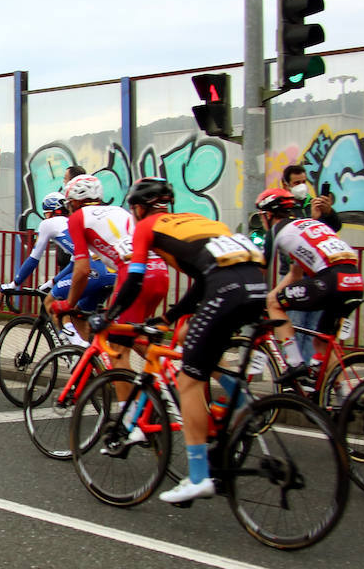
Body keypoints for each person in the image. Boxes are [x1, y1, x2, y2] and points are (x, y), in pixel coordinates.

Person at [92, 177, 268, 503]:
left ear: (138, 208)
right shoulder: (200, 222)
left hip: (226, 288)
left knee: (188, 380)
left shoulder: (146, 227)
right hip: (256, 284)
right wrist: (169, 319)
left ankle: (198, 476)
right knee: (196, 347)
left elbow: (133, 279)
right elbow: (202, 282)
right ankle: (237, 403)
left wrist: (109, 315)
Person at [50, 174, 169, 367]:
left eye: (69, 203)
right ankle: (165, 380)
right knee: (133, 335)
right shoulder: (119, 211)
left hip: (133, 276)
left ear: (75, 202)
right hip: (159, 272)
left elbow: (82, 269)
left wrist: (68, 304)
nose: (69, 209)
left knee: (117, 351)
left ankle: (132, 395)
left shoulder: (78, 218)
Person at [254, 188, 364, 383]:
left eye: (262, 216)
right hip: (354, 281)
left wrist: (255, 298)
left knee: (275, 305)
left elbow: (260, 270)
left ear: (268, 214)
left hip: (331, 281)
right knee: (322, 344)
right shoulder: (307, 225)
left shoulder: (276, 230)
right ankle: (342, 397)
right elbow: (295, 273)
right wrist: (273, 294)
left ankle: (295, 364)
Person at [1, 192, 117, 345]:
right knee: (77, 315)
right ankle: (83, 357)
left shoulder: (48, 224)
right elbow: (74, 263)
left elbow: (33, 258)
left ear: (50, 211)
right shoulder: (75, 222)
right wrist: (51, 283)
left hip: (93, 272)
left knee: (52, 304)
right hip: (110, 275)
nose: (45, 216)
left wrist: (14, 284)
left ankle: (74, 344)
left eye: (46, 213)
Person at [277, 165, 343, 360]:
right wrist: (312, 219)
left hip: (318, 274)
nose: (301, 187)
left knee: (313, 327)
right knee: (295, 325)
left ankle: (310, 373)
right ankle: (295, 368)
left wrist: (328, 213)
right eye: (296, 183)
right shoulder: (283, 206)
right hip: (293, 273)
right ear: (286, 184)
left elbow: (333, 229)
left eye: (304, 182)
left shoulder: (312, 203)